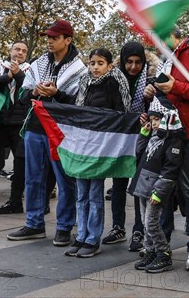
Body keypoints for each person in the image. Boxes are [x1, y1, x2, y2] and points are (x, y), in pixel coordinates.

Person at [145, 26, 189, 271]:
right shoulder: (169, 60)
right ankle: (160, 247)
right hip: (167, 134)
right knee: (163, 189)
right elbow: (168, 96)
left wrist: (174, 87)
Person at [7, 20, 86, 245]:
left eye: (55, 38)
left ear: (68, 40)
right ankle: (34, 224)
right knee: (33, 178)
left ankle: (64, 227)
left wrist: (57, 93)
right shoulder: (38, 63)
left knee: (64, 179)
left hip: (61, 130)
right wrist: (34, 91)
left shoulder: (79, 69)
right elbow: (22, 98)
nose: (49, 42)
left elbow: (80, 102)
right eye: (48, 38)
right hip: (35, 127)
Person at [64, 48, 131, 258]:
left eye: (100, 63)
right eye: (92, 63)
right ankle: (81, 235)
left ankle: (93, 237)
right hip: (84, 145)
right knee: (81, 193)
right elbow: (78, 111)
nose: (95, 67)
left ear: (109, 65)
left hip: (101, 147)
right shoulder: (85, 83)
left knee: (95, 194)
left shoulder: (114, 83)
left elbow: (121, 113)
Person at [102, 41, 157, 252]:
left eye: (138, 62)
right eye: (129, 62)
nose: (133, 67)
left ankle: (139, 229)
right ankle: (117, 227)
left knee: (138, 185)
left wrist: (150, 105)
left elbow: (161, 107)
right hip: (121, 138)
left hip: (143, 138)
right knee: (118, 183)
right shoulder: (114, 78)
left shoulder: (151, 80)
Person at [131, 96, 184, 273]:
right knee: (146, 223)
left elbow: (171, 169)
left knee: (152, 223)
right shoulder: (153, 136)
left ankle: (164, 253)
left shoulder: (173, 140)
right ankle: (151, 250)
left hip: (156, 189)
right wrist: (143, 134)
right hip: (143, 184)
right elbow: (139, 154)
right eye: (152, 119)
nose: (154, 123)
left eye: (157, 119)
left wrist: (159, 192)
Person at [0, 41, 31, 214]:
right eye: (17, 49)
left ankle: (16, 196)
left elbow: (29, 89)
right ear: (10, 51)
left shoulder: (30, 70)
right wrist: (7, 77)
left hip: (19, 121)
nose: (20, 53)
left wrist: (18, 75)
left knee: (20, 160)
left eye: (23, 51)